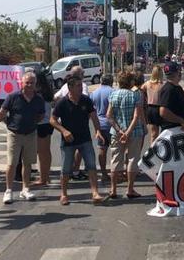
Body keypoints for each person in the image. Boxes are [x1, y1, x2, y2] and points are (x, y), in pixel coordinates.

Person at [50, 72, 105, 205]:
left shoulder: (86, 100)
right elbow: (52, 120)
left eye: (81, 85)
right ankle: (63, 194)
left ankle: (95, 192)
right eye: (78, 86)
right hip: (68, 142)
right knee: (66, 169)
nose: (81, 88)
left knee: (91, 166)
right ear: (70, 88)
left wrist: (98, 131)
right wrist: (63, 131)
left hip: (85, 139)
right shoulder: (62, 103)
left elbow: (94, 116)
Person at [0, 71, 45, 204]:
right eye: (27, 82)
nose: (29, 85)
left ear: (36, 84)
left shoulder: (38, 99)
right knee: (12, 163)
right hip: (14, 134)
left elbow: (41, 116)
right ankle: (8, 190)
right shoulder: (12, 97)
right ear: (21, 83)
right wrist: (7, 122)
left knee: (28, 163)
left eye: (32, 83)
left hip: (30, 134)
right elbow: (2, 113)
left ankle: (26, 189)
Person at [106, 70, 145, 199]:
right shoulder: (136, 95)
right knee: (132, 160)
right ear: (131, 82)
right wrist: (128, 132)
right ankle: (130, 189)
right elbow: (137, 116)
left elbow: (109, 116)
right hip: (134, 132)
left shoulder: (113, 94)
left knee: (116, 159)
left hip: (117, 132)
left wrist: (119, 130)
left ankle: (113, 189)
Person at [90, 74, 114, 180]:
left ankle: (104, 173)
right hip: (111, 124)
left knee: (102, 149)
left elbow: (91, 111)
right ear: (111, 81)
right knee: (114, 150)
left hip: (99, 125)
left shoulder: (94, 93)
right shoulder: (113, 92)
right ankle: (114, 173)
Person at [141, 65, 165, 143]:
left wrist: (146, 97)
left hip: (150, 108)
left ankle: (153, 149)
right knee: (160, 133)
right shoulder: (162, 85)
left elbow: (140, 90)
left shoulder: (147, 83)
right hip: (159, 108)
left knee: (153, 134)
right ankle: (156, 149)